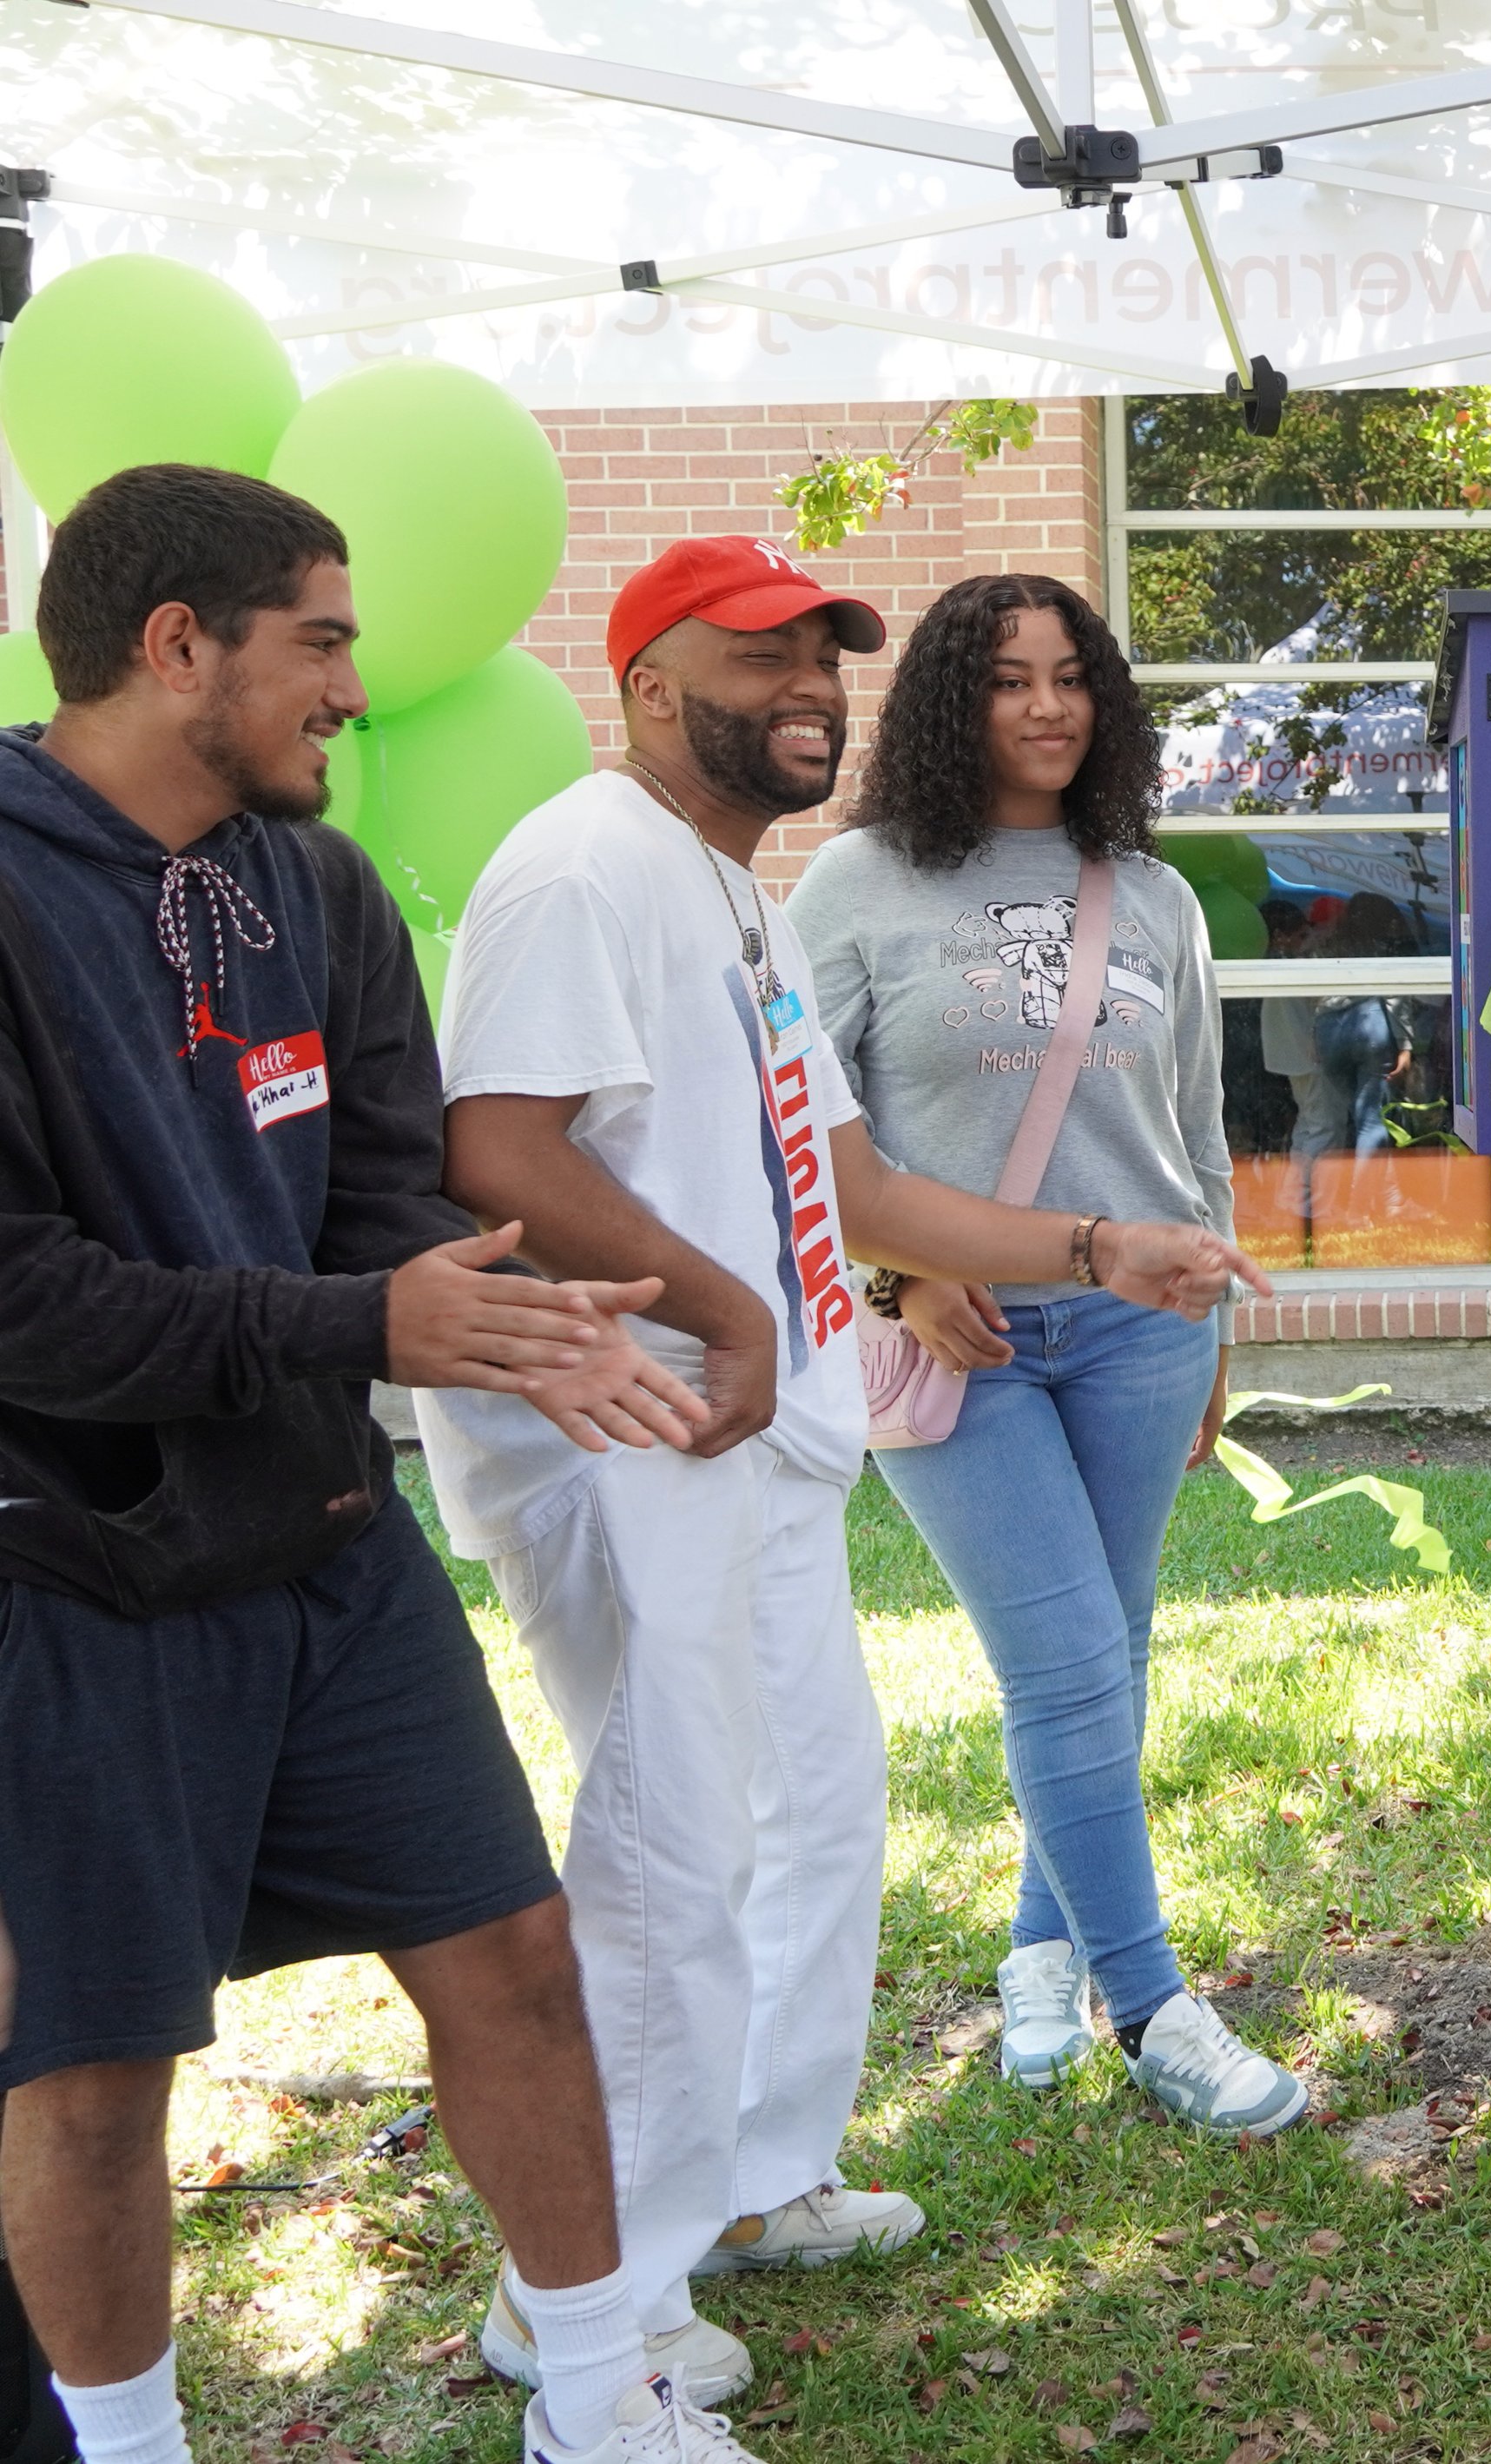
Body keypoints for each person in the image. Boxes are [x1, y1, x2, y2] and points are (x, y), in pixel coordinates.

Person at [421, 538, 1269, 2403]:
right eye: (758, 657)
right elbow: (497, 1149)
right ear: (647, 686)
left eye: (822, 655)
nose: (806, 685)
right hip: (640, 1429)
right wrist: (732, 1311)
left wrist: (1099, 1249)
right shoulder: (581, 866)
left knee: (818, 1808)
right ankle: (588, 2296)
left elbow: (856, 1179)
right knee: (675, 1851)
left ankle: (749, 2180)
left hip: (770, 1431)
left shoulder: (732, 889)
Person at [0, 465, 749, 2464]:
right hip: (72, 1582)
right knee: (92, 2072)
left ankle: (599, 2402)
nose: (352, 686)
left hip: (330, 1548)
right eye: (320, 642)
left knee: (513, 1956)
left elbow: (384, 1201)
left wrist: (517, 1318)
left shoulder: (314, 891)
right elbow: (19, 1298)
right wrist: (363, 1325)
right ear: (178, 646)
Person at [785, 572, 1301, 2133]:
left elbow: (1195, 1127)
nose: (1048, 705)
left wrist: (1212, 1323)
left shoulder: (1152, 896)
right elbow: (795, 1129)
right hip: (965, 1332)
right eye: (1010, 679)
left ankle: (1039, 1947)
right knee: (1066, 1658)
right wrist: (893, 1276)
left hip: (1144, 1327)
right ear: (956, 700)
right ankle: (1153, 2008)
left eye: (1072, 676)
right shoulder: (858, 883)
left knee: (1106, 1649)